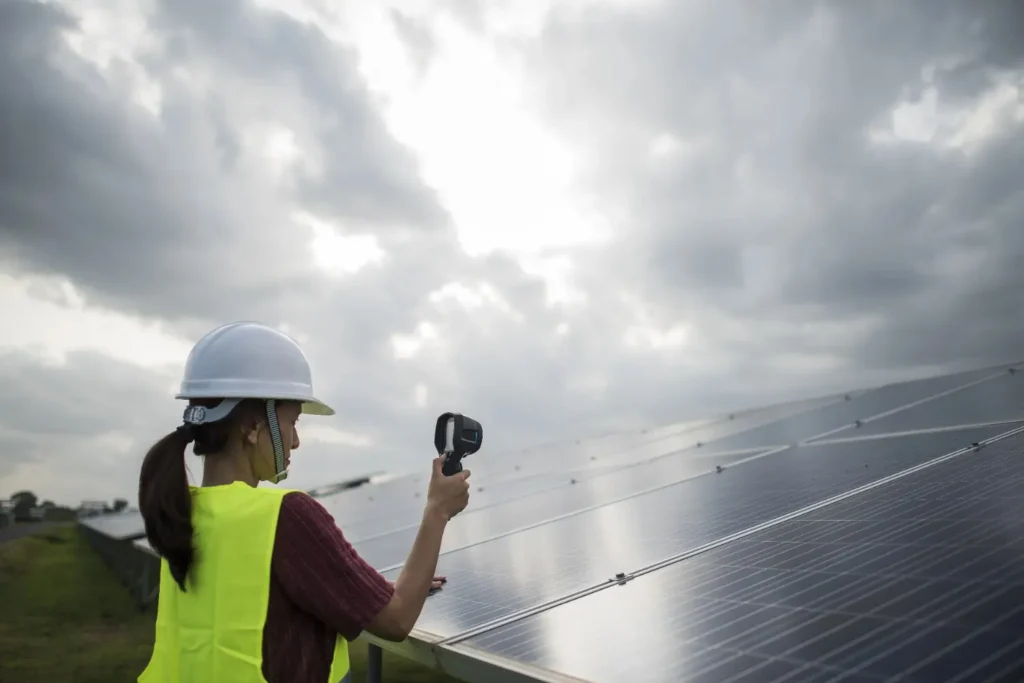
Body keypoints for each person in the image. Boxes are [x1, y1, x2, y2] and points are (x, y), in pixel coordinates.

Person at [137, 321, 472, 683]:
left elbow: (254, 602)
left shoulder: (182, 510)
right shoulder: (285, 517)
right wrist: (437, 510)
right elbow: (396, 620)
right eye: (292, 422)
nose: (295, 441)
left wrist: (361, 590)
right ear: (252, 426)